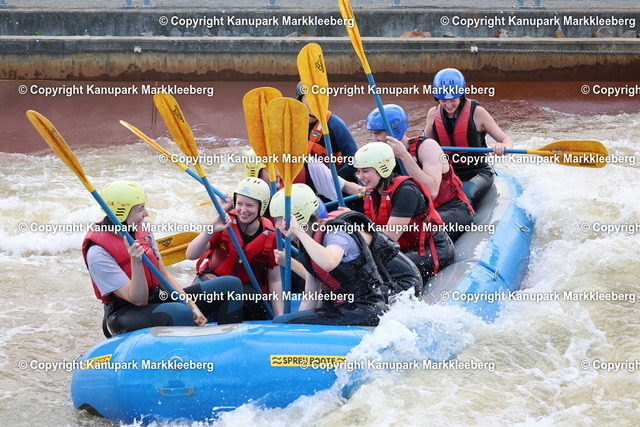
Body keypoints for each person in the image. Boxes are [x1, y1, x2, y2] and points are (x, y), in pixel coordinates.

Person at [82, 181, 243, 337]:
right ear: (121, 213)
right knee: (180, 312)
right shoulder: (98, 253)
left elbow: (162, 274)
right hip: (125, 312)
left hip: (156, 298)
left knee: (231, 285)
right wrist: (136, 262)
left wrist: (192, 305)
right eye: (141, 209)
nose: (146, 213)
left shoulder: (141, 227)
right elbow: (138, 300)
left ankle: (228, 344)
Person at [269, 184, 387, 326]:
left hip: (366, 307)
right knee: (284, 321)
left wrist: (299, 231)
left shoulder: (334, 233)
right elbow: (310, 298)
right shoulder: (307, 243)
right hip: (344, 305)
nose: (277, 226)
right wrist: (295, 327)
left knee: (283, 321)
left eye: (280, 219)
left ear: (298, 217)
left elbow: (329, 262)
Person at [366, 104, 474, 242]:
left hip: (450, 208)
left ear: (394, 130)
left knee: (406, 233)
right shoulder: (383, 156)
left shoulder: (427, 147)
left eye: (378, 134)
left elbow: (431, 191)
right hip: (416, 213)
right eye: (372, 134)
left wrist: (404, 156)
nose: (374, 140)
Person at [354, 142, 455, 283]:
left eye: (365, 171)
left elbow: (390, 236)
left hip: (433, 250)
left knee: (373, 270)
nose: (360, 177)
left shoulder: (406, 191)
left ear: (383, 169)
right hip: (402, 248)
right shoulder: (373, 192)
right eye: (358, 172)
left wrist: (355, 233)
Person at [186, 177, 283, 318]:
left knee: (252, 300)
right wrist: (211, 228)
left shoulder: (270, 235)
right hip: (213, 279)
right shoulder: (224, 223)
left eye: (249, 205)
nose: (243, 210)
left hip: (244, 289)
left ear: (262, 207)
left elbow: (275, 280)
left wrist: (279, 316)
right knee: (223, 291)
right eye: (239, 204)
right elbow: (190, 255)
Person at [423, 68, 513, 206]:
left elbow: (506, 140)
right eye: (443, 100)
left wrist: (503, 146)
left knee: (462, 195)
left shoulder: (477, 112)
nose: (448, 105)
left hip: (477, 172)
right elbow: (424, 144)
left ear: (461, 95)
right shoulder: (432, 114)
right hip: (446, 172)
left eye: (453, 100)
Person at [296, 82, 358, 182]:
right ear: (300, 100)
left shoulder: (335, 124)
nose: (314, 102)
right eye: (310, 97)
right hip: (304, 181)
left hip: (334, 180)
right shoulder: (292, 124)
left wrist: (333, 181)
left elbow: (354, 159)